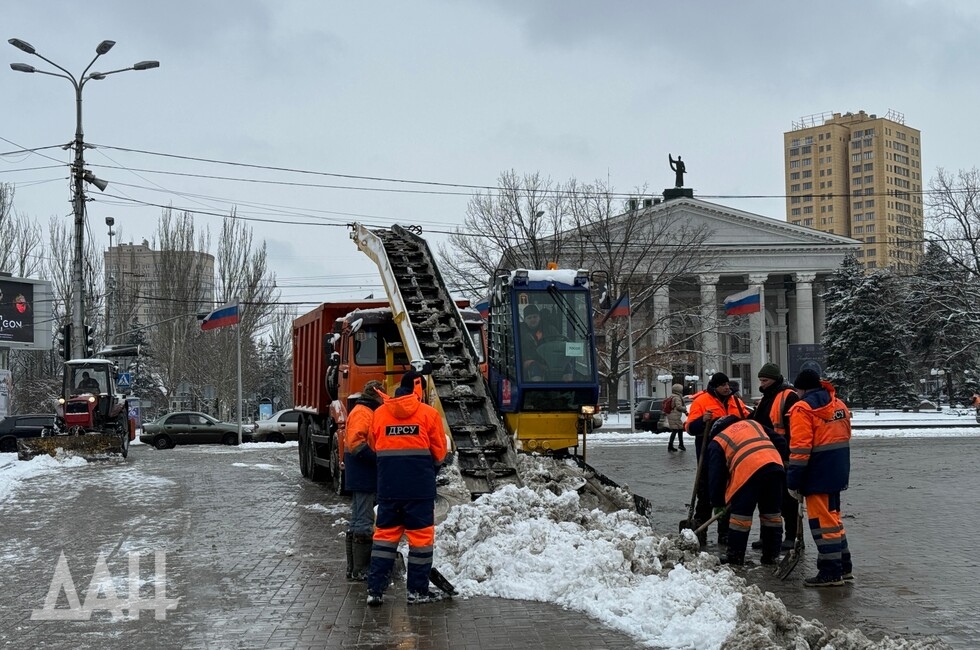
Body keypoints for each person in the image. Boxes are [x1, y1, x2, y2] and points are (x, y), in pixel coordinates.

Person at [365, 370, 448, 606]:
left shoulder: (380, 414)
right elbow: (440, 451)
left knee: (384, 539)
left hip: (389, 488)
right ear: (418, 389)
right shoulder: (428, 414)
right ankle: (417, 591)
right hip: (419, 490)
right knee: (420, 541)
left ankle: (375, 590)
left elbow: (373, 446)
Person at [786, 369, 853, 588]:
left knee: (823, 524)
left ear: (802, 388)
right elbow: (845, 436)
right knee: (834, 520)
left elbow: (800, 449)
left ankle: (830, 573)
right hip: (838, 470)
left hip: (817, 474)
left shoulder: (802, 409)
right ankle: (844, 567)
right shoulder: (839, 405)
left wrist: (793, 481)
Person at [706, 415, 787, 566]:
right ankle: (771, 557)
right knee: (772, 515)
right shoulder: (753, 423)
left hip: (748, 473)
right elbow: (781, 442)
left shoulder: (719, 440)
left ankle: (735, 558)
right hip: (774, 469)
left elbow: (716, 475)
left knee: (740, 519)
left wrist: (718, 502)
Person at [686, 372, 750, 547]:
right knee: (706, 495)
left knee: (727, 495)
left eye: (727, 384)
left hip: (732, 457)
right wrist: (702, 420)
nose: (726, 388)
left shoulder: (735, 401)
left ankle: (725, 532)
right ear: (715, 387)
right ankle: (701, 530)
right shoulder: (701, 402)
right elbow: (690, 428)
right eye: (722, 385)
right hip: (708, 457)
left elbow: (747, 420)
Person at [749, 363, 801, 552]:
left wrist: (790, 454)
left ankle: (791, 536)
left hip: (784, 455)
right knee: (767, 499)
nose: (762, 384)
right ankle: (767, 536)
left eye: (765, 380)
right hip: (766, 455)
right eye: (760, 380)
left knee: (788, 500)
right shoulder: (765, 398)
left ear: (775, 379)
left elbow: (795, 427)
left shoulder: (788, 396)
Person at [344, 379, 386, 582]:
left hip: (361, 472)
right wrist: (377, 459)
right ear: (377, 395)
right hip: (363, 472)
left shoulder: (365, 410)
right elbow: (356, 444)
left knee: (358, 519)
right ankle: (360, 569)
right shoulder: (363, 412)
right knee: (363, 520)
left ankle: (354, 568)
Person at [519, 305, 561, 380]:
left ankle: (569, 388)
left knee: (567, 367)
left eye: (535, 316)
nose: (533, 319)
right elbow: (520, 351)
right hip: (529, 360)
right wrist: (538, 363)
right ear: (525, 320)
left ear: (539, 317)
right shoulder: (520, 332)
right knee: (535, 367)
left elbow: (559, 343)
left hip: (549, 360)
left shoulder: (550, 329)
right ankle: (536, 388)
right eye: (529, 318)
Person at [666, 383, 689, 452]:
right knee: (676, 430)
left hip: (672, 415)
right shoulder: (677, 397)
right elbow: (679, 407)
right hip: (674, 416)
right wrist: (684, 409)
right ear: (679, 390)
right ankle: (671, 446)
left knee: (679, 429)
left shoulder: (672, 396)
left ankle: (680, 445)